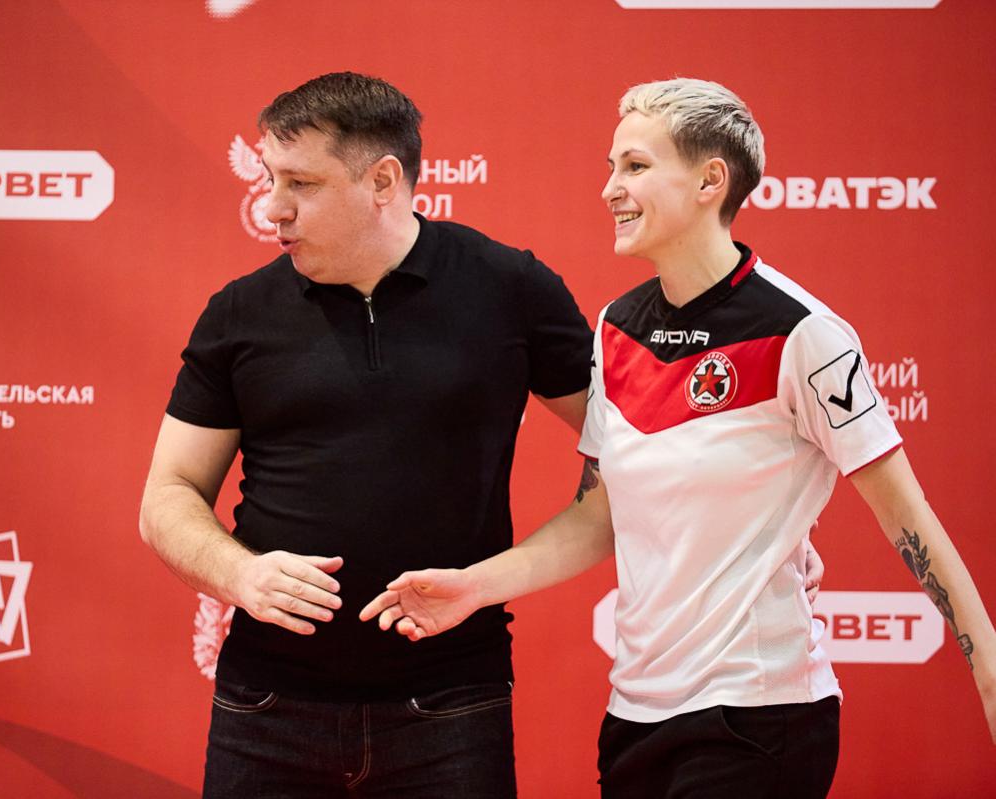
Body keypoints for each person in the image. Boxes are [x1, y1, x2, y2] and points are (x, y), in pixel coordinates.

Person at [362, 78, 996, 797]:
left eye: (634, 166)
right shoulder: (616, 327)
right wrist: (474, 586)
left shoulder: (803, 333)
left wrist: (986, 666)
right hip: (635, 714)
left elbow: (907, 516)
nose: (610, 188)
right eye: (611, 167)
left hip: (758, 717)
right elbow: (597, 517)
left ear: (708, 180)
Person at [138, 71, 597, 798]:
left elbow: (630, 455)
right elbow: (168, 493)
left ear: (383, 181)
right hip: (265, 706)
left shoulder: (511, 288)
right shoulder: (239, 312)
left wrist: (494, 580)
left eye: (301, 183)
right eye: (269, 178)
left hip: (452, 705)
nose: (271, 206)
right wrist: (239, 576)